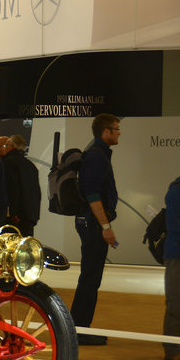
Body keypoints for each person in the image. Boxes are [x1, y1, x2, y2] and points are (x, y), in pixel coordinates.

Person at [71, 113, 120, 345]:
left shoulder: (97, 155)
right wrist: (106, 226)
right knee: (90, 277)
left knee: (90, 277)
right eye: (116, 128)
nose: (119, 132)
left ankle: (79, 328)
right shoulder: (96, 157)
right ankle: (79, 330)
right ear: (105, 131)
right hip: (93, 223)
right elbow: (92, 195)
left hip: (90, 222)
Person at [2, 134, 41, 237]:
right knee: (26, 246)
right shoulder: (31, 165)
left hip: (16, 216)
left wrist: (13, 213)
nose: (4, 149)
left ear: (12, 147)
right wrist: (35, 214)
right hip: (30, 215)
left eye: (6, 146)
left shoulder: (8, 163)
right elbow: (36, 192)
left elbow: (12, 189)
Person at [163, 176, 180, 360]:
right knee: (176, 303)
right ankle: (172, 349)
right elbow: (174, 224)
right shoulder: (176, 190)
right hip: (177, 254)